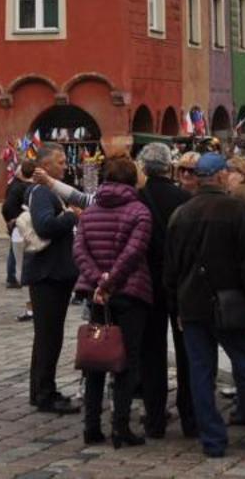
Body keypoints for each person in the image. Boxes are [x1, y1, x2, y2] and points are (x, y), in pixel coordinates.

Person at [164, 153, 245, 460]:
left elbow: (170, 270)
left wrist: (178, 306)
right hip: (233, 302)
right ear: (222, 176)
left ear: (197, 178)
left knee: (201, 373)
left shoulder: (180, 214)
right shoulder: (236, 210)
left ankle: (212, 439)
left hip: (193, 304)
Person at [73, 155, 154, 448]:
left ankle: (91, 426)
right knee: (126, 363)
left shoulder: (90, 211)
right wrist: (109, 282)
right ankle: (121, 427)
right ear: (131, 180)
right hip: (130, 294)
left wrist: (99, 282)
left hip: (98, 296)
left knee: (96, 358)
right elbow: (134, 253)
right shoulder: (139, 211)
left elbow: (79, 250)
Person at [136, 141, 193, 440]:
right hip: (181, 282)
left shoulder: (138, 198)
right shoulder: (184, 197)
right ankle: (190, 416)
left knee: (152, 352)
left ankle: (155, 418)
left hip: (149, 282)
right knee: (187, 352)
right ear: (169, 167)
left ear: (144, 168)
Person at [23, 144, 83, 413]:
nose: (64, 166)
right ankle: (45, 393)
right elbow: (44, 226)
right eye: (59, 162)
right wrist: (71, 215)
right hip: (48, 274)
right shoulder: (43, 193)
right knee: (49, 337)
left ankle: (40, 390)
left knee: (47, 336)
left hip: (52, 273)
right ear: (45, 166)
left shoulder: (47, 192)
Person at [2, 160, 33, 289]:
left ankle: (15, 276)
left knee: (17, 250)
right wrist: (12, 220)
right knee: (17, 250)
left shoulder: (15, 185)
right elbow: (7, 207)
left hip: (17, 222)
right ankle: (13, 277)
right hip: (19, 222)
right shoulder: (20, 187)